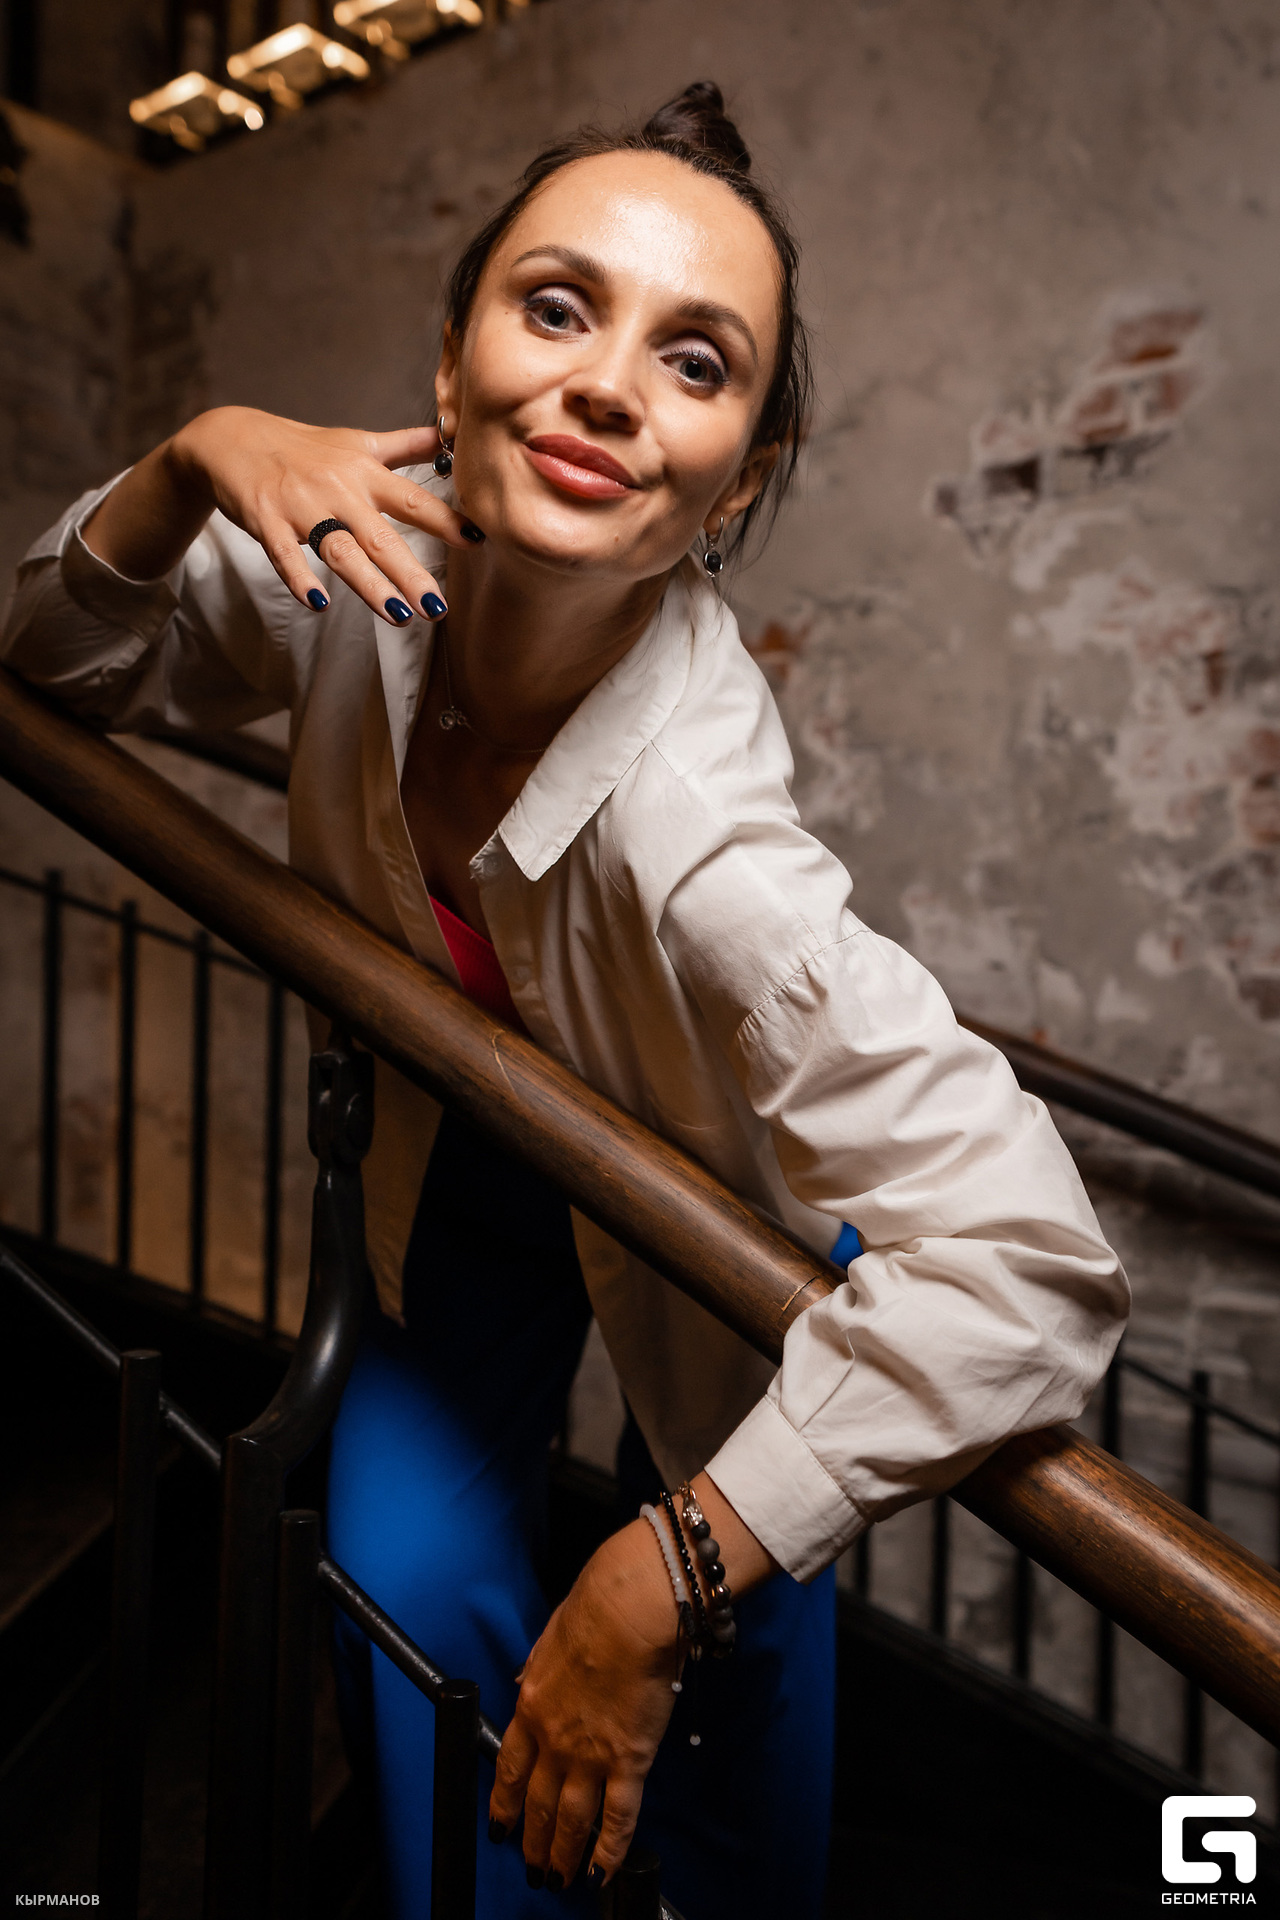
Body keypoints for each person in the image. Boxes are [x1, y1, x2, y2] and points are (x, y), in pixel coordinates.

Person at [1, 82, 1127, 1920]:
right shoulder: (347, 575)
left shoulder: (707, 858)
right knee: (405, 1617)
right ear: (450, 371)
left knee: (733, 1753)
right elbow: (49, 662)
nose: (608, 387)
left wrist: (660, 1572)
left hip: (718, 1249)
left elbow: (1038, 1264)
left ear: (738, 478)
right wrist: (192, 455)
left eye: (696, 360)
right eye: (555, 308)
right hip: (456, 1185)